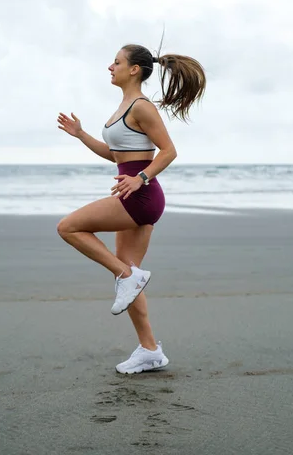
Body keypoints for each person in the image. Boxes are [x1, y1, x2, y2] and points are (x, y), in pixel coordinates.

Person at [56, 43, 206, 374]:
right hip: (133, 194)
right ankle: (150, 350)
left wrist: (140, 178)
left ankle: (127, 276)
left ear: (133, 69)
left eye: (117, 62)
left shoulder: (141, 107)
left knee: (68, 227)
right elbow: (116, 156)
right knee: (130, 274)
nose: (111, 67)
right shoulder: (124, 105)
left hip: (141, 196)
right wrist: (80, 134)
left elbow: (168, 151)